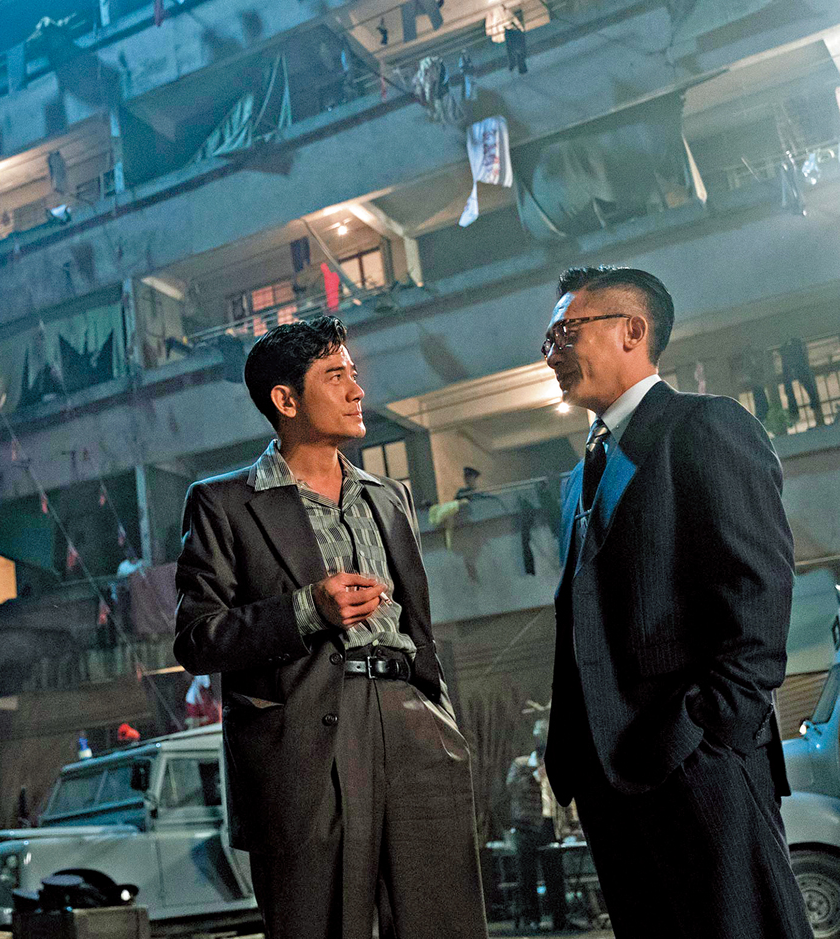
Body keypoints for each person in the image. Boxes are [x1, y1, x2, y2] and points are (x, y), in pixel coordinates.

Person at [173, 316, 487, 939]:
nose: (356, 390)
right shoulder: (224, 502)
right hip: (306, 734)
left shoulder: (389, 496)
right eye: (335, 376)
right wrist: (307, 609)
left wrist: (440, 714)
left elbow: (417, 622)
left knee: (442, 920)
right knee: (321, 923)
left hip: (412, 720)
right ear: (286, 400)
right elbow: (197, 638)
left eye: (354, 374)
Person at [543, 266, 808, 937]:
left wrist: (710, 731)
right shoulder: (578, 478)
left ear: (632, 331)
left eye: (566, 332)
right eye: (549, 339)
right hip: (608, 781)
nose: (551, 353)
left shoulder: (704, 426)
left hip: (697, 760)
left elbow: (758, 587)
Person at [505, 719, 567, 931]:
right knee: (527, 875)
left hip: (549, 825)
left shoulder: (555, 766)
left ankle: (560, 918)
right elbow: (513, 788)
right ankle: (531, 919)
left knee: (554, 873)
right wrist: (534, 776)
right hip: (527, 827)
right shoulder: (521, 764)